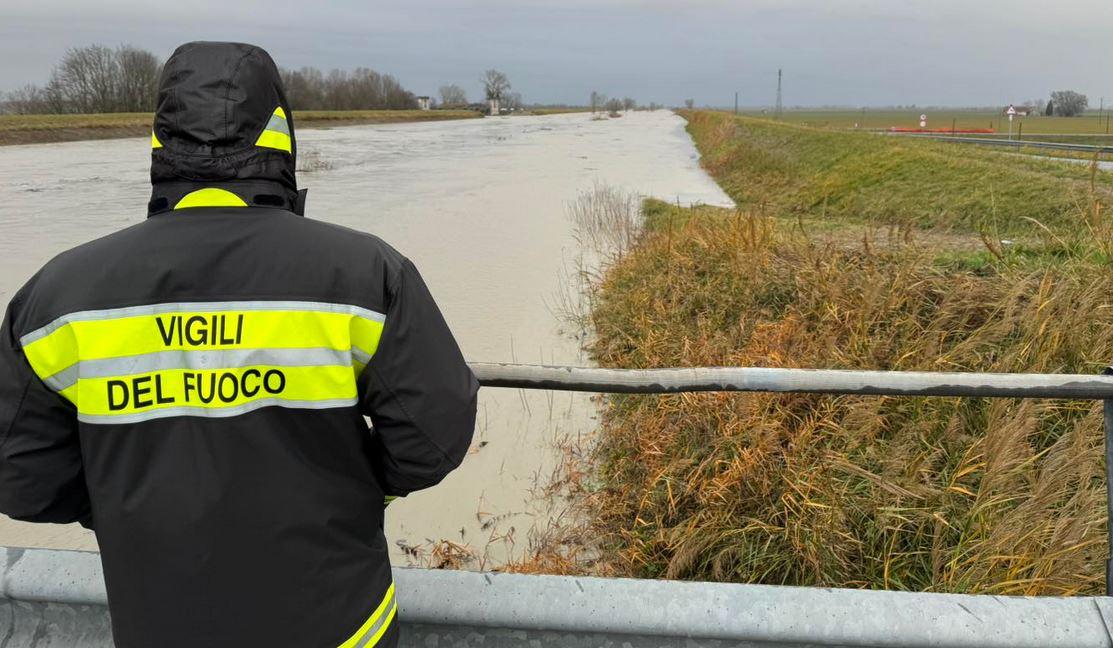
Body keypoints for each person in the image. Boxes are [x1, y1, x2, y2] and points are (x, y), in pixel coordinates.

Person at [0, 41, 478, 648]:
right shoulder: (364, 273)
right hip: (339, 622)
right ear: (283, 141)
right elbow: (435, 433)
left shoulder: (56, 296)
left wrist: (123, 504)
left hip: (159, 623)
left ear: (158, 147)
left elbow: (20, 475)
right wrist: (359, 484)